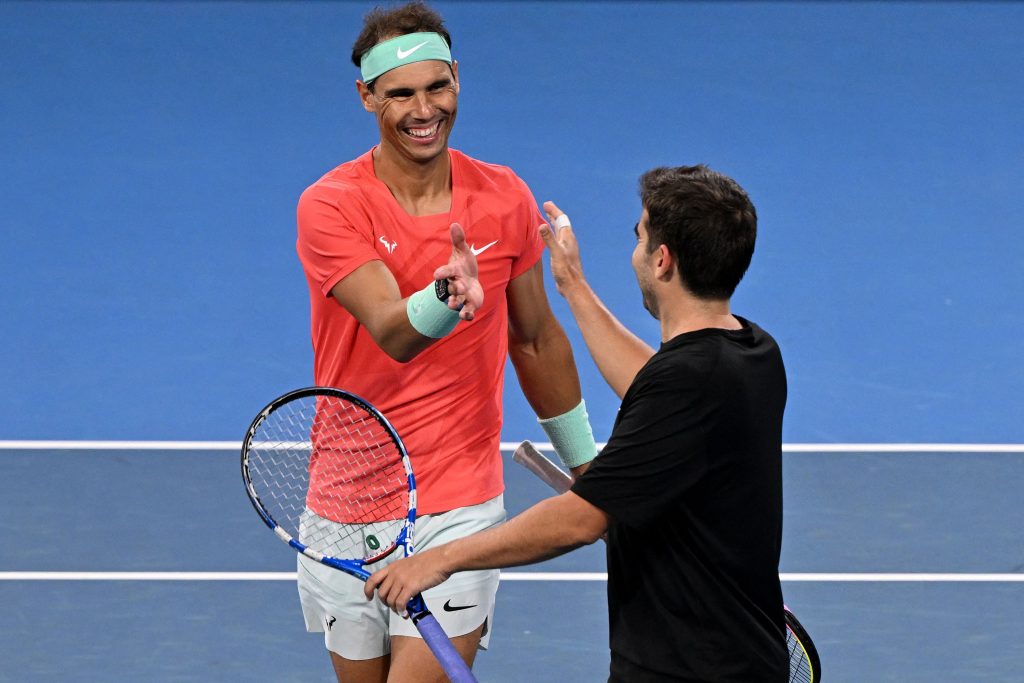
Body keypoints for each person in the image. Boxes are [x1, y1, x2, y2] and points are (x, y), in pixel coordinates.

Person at [365, 165, 791, 682]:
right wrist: (572, 286)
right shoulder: (752, 351)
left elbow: (580, 520)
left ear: (663, 261)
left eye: (639, 236)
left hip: (686, 668)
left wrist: (439, 560)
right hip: (740, 656)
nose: (634, 250)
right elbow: (653, 383)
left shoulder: (684, 383)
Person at [294, 2, 598, 681]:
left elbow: (537, 341)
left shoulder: (504, 197)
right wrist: (443, 297)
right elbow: (392, 331)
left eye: (438, 87)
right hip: (343, 499)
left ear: (458, 79)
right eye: (400, 94)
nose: (423, 109)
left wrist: (589, 470)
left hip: (457, 499)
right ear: (366, 96)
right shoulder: (331, 205)